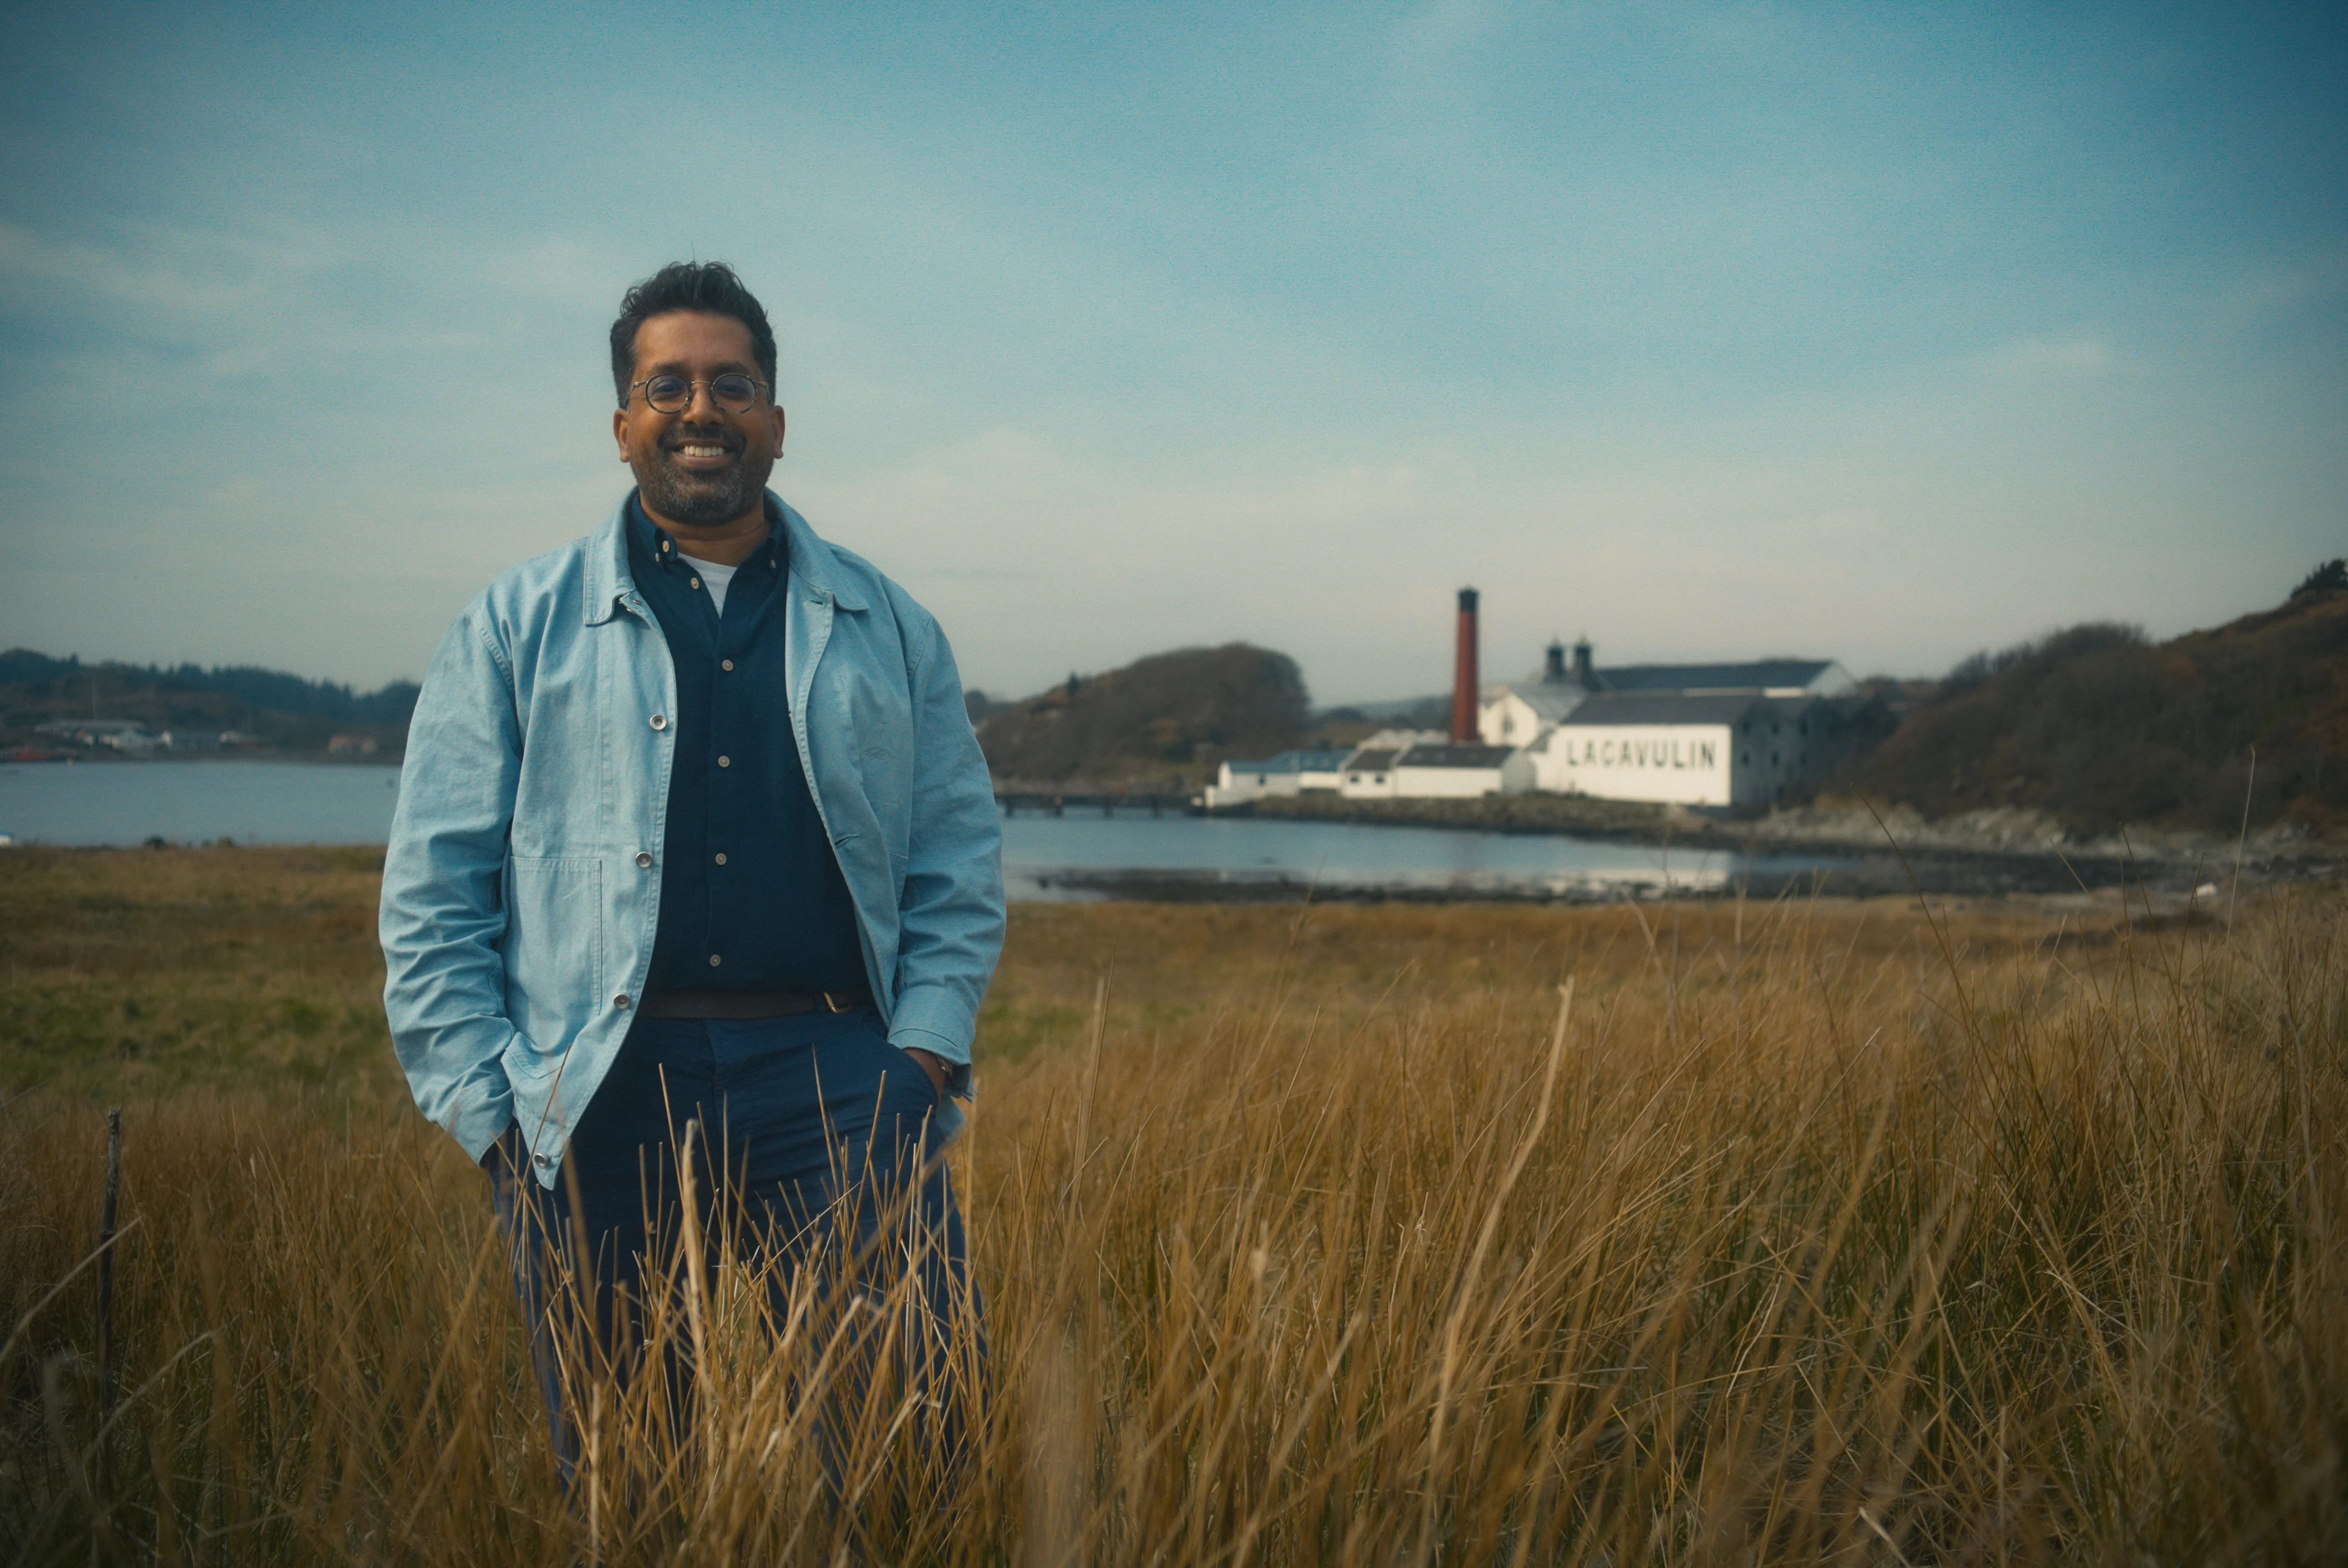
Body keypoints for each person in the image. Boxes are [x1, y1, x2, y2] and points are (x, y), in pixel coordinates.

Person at [379, 260, 1004, 1480]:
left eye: (733, 383)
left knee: (907, 1449)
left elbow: (955, 852)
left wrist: (920, 1054)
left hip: (836, 1081)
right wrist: (485, 1105)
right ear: (622, 425)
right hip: (593, 1085)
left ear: (776, 421)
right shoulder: (517, 622)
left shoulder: (890, 623)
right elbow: (434, 882)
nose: (699, 409)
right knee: (628, 1469)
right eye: (665, 385)